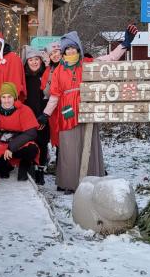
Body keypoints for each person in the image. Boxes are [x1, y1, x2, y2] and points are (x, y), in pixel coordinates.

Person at [39, 25, 138, 194]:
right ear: (63, 52)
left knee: (89, 144)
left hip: (87, 109)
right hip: (67, 112)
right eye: (67, 49)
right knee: (69, 147)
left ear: (77, 48)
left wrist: (125, 44)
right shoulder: (59, 70)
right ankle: (70, 184)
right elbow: (54, 96)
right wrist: (45, 114)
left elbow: (110, 58)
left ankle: (91, 181)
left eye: (72, 48)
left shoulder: (87, 63)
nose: (70, 52)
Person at [0, 82, 39, 181]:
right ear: (0, 98)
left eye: (10, 97)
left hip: (18, 143)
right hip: (1, 143)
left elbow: (31, 133)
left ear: (15, 97)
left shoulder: (24, 110)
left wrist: (11, 146)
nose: (7, 100)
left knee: (32, 149)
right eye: (4, 97)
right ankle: (5, 166)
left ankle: (24, 166)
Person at [23, 47, 49, 185]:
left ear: (40, 61)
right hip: (28, 116)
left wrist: (44, 116)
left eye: (36, 59)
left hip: (43, 116)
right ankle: (31, 166)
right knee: (30, 143)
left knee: (43, 143)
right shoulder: (24, 77)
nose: (34, 62)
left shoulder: (46, 74)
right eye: (31, 60)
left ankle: (40, 171)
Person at [41, 41, 62, 171]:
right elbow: (45, 91)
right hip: (53, 110)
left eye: (57, 52)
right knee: (58, 139)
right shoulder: (49, 70)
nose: (55, 55)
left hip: (67, 107)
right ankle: (60, 167)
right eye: (52, 53)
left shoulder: (69, 66)